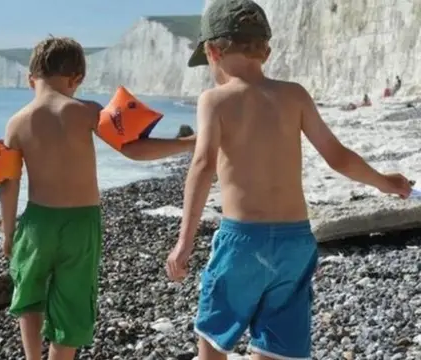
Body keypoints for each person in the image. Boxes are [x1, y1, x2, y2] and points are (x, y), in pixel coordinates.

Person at [167, 1, 413, 359]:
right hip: (296, 242)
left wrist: (184, 243)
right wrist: (382, 182)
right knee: (276, 347)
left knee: (214, 340)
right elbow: (337, 155)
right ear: (266, 50)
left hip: (243, 242)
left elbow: (203, 165)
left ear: (212, 51)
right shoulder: (294, 94)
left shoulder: (214, 100)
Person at [0, 36, 196, 360]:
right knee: (73, 302)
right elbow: (134, 149)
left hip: (36, 223)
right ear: (76, 79)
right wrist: (189, 143)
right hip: (81, 223)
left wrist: (7, 231)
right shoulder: (87, 111)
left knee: (29, 292)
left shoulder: (16, 123)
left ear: (29, 78)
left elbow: (8, 183)